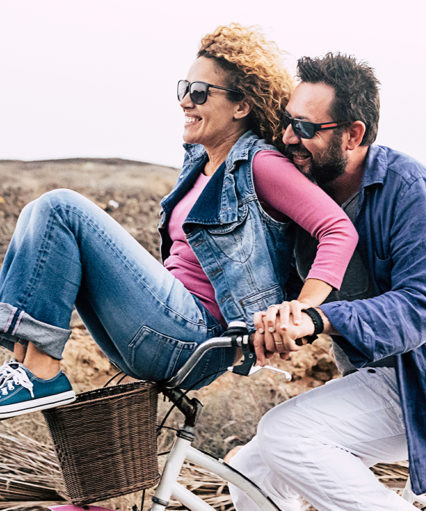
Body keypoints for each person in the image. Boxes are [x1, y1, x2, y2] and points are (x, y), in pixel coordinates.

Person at [0, 25, 357, 419]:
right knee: (38, 212)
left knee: (61, 208)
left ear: (241, 107)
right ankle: (24, 367)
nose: (186, 101)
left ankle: (42, 373)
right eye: (183, 88)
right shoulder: (198, 163)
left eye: (200, 92)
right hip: (164, 328)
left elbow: (337, 229)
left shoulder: (260, 164)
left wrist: (300, 311)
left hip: (196, 338)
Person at [229, 53, 426, 511]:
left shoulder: (407, 186)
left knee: (287, 433)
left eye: (305, 128)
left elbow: (419, 307)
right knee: (250, 474)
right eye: (287, 122)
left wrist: (317, 318)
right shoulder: (307, 195)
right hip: (377, 380)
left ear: (353, 133)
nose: (287, 139)